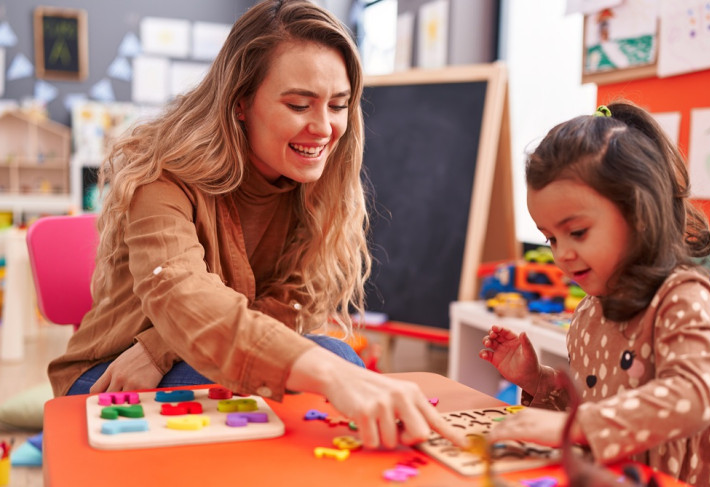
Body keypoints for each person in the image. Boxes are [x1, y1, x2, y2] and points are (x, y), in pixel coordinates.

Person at [48, 0, 463, 450]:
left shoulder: (314, 187)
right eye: (299, 104)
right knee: (330, 360)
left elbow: (286, 305)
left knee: (329, 366)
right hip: (109, 375)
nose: (324, 127)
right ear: (241, 102)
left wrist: (160, 348)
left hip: (181, 358)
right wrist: (332, 374)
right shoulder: (162, 177)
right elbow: (182, 296)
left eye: (339, 105)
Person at [479, 102, 710, 486]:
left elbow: (693, 397)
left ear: (638, 215)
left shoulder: (683, 296)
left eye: (577, 232)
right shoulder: (589, 310)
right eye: (551, 238)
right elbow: (597, 410)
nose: (562, 254)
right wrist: (537, 380)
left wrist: (576, 427)